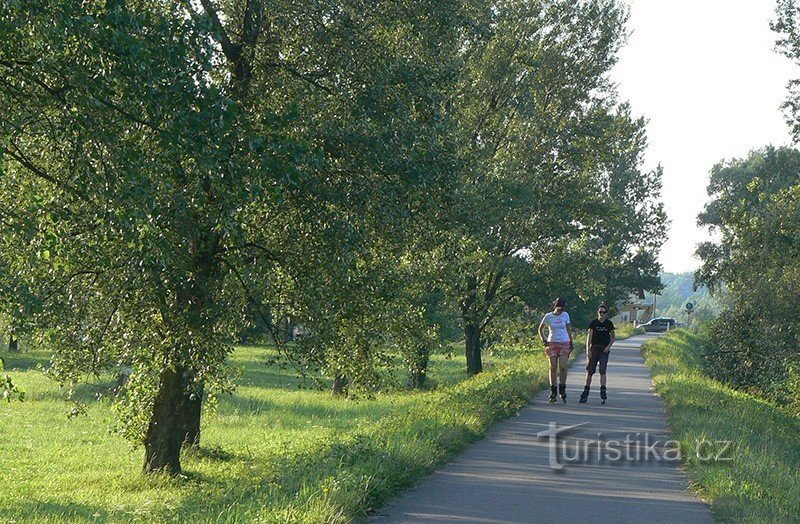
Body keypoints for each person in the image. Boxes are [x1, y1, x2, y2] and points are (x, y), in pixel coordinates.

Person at [538, 298, 574, 403]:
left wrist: (571, 342)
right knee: (552, 367)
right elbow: (541, 328)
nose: (561, 310)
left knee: (562, 366)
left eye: (562, 308)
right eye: (559, 308)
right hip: (552, 343)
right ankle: (553, 390)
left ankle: (562, 388)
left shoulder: (565, 315)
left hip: (564, 342)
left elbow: (568, 329)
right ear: (555, 307)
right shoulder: (548, 316)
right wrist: (543, 339)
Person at [579, 305, 615, 404]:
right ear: (597, 313)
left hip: (604, 349)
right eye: (600, 312)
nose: (602, 314)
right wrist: (588, 350)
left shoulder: (609, 324)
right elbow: (589, 337)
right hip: (594, 348)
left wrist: (608, 347)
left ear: (606, 313)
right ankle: (586, 391)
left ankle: (603, 392)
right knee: (590, 370)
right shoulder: (593, 323)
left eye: (603, 312)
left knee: (602, 370)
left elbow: (613, 337)